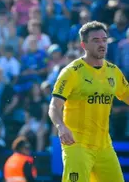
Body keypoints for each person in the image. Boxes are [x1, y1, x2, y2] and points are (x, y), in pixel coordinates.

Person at [49, 21, 126, 182]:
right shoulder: (71, 72)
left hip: (104, 146)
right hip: (77, 144)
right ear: (84, 45)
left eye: (104, 40)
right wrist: (61, 126)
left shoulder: (113, 72)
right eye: (96, 40)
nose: (102, 44)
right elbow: (54, 106)